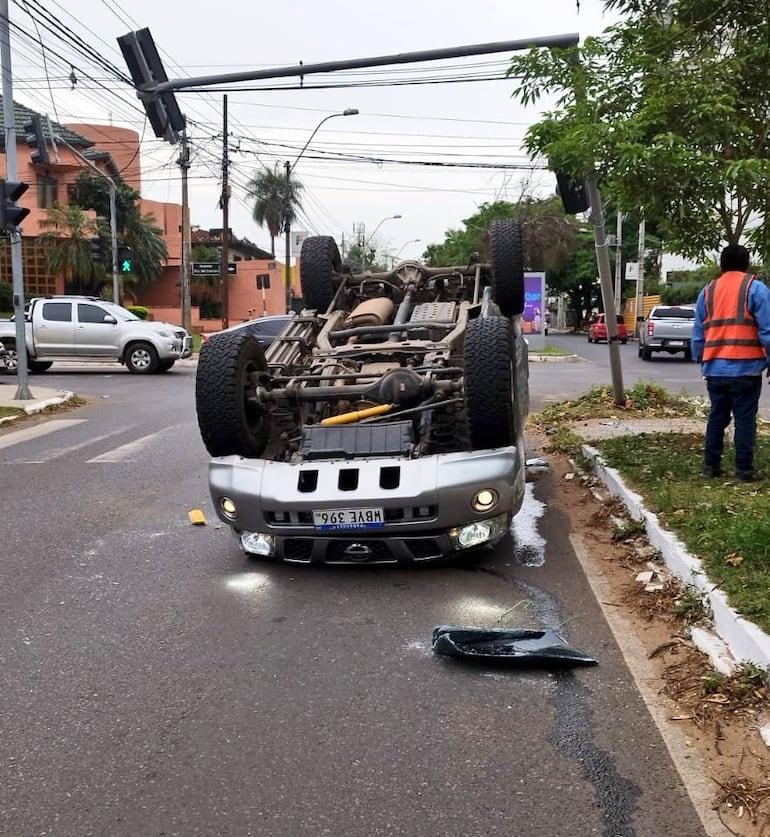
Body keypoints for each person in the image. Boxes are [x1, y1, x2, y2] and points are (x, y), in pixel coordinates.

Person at [691, 244, 770, 481]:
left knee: (717, 416)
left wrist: (701, 358)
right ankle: (743, 469)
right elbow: (767, 330)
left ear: (721, 265)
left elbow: (698, 332)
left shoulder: (707, 291)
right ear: (747, 264)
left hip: (715, 367)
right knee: (745, 417)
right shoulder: (755, 288)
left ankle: (710, 467)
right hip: (746, 368)